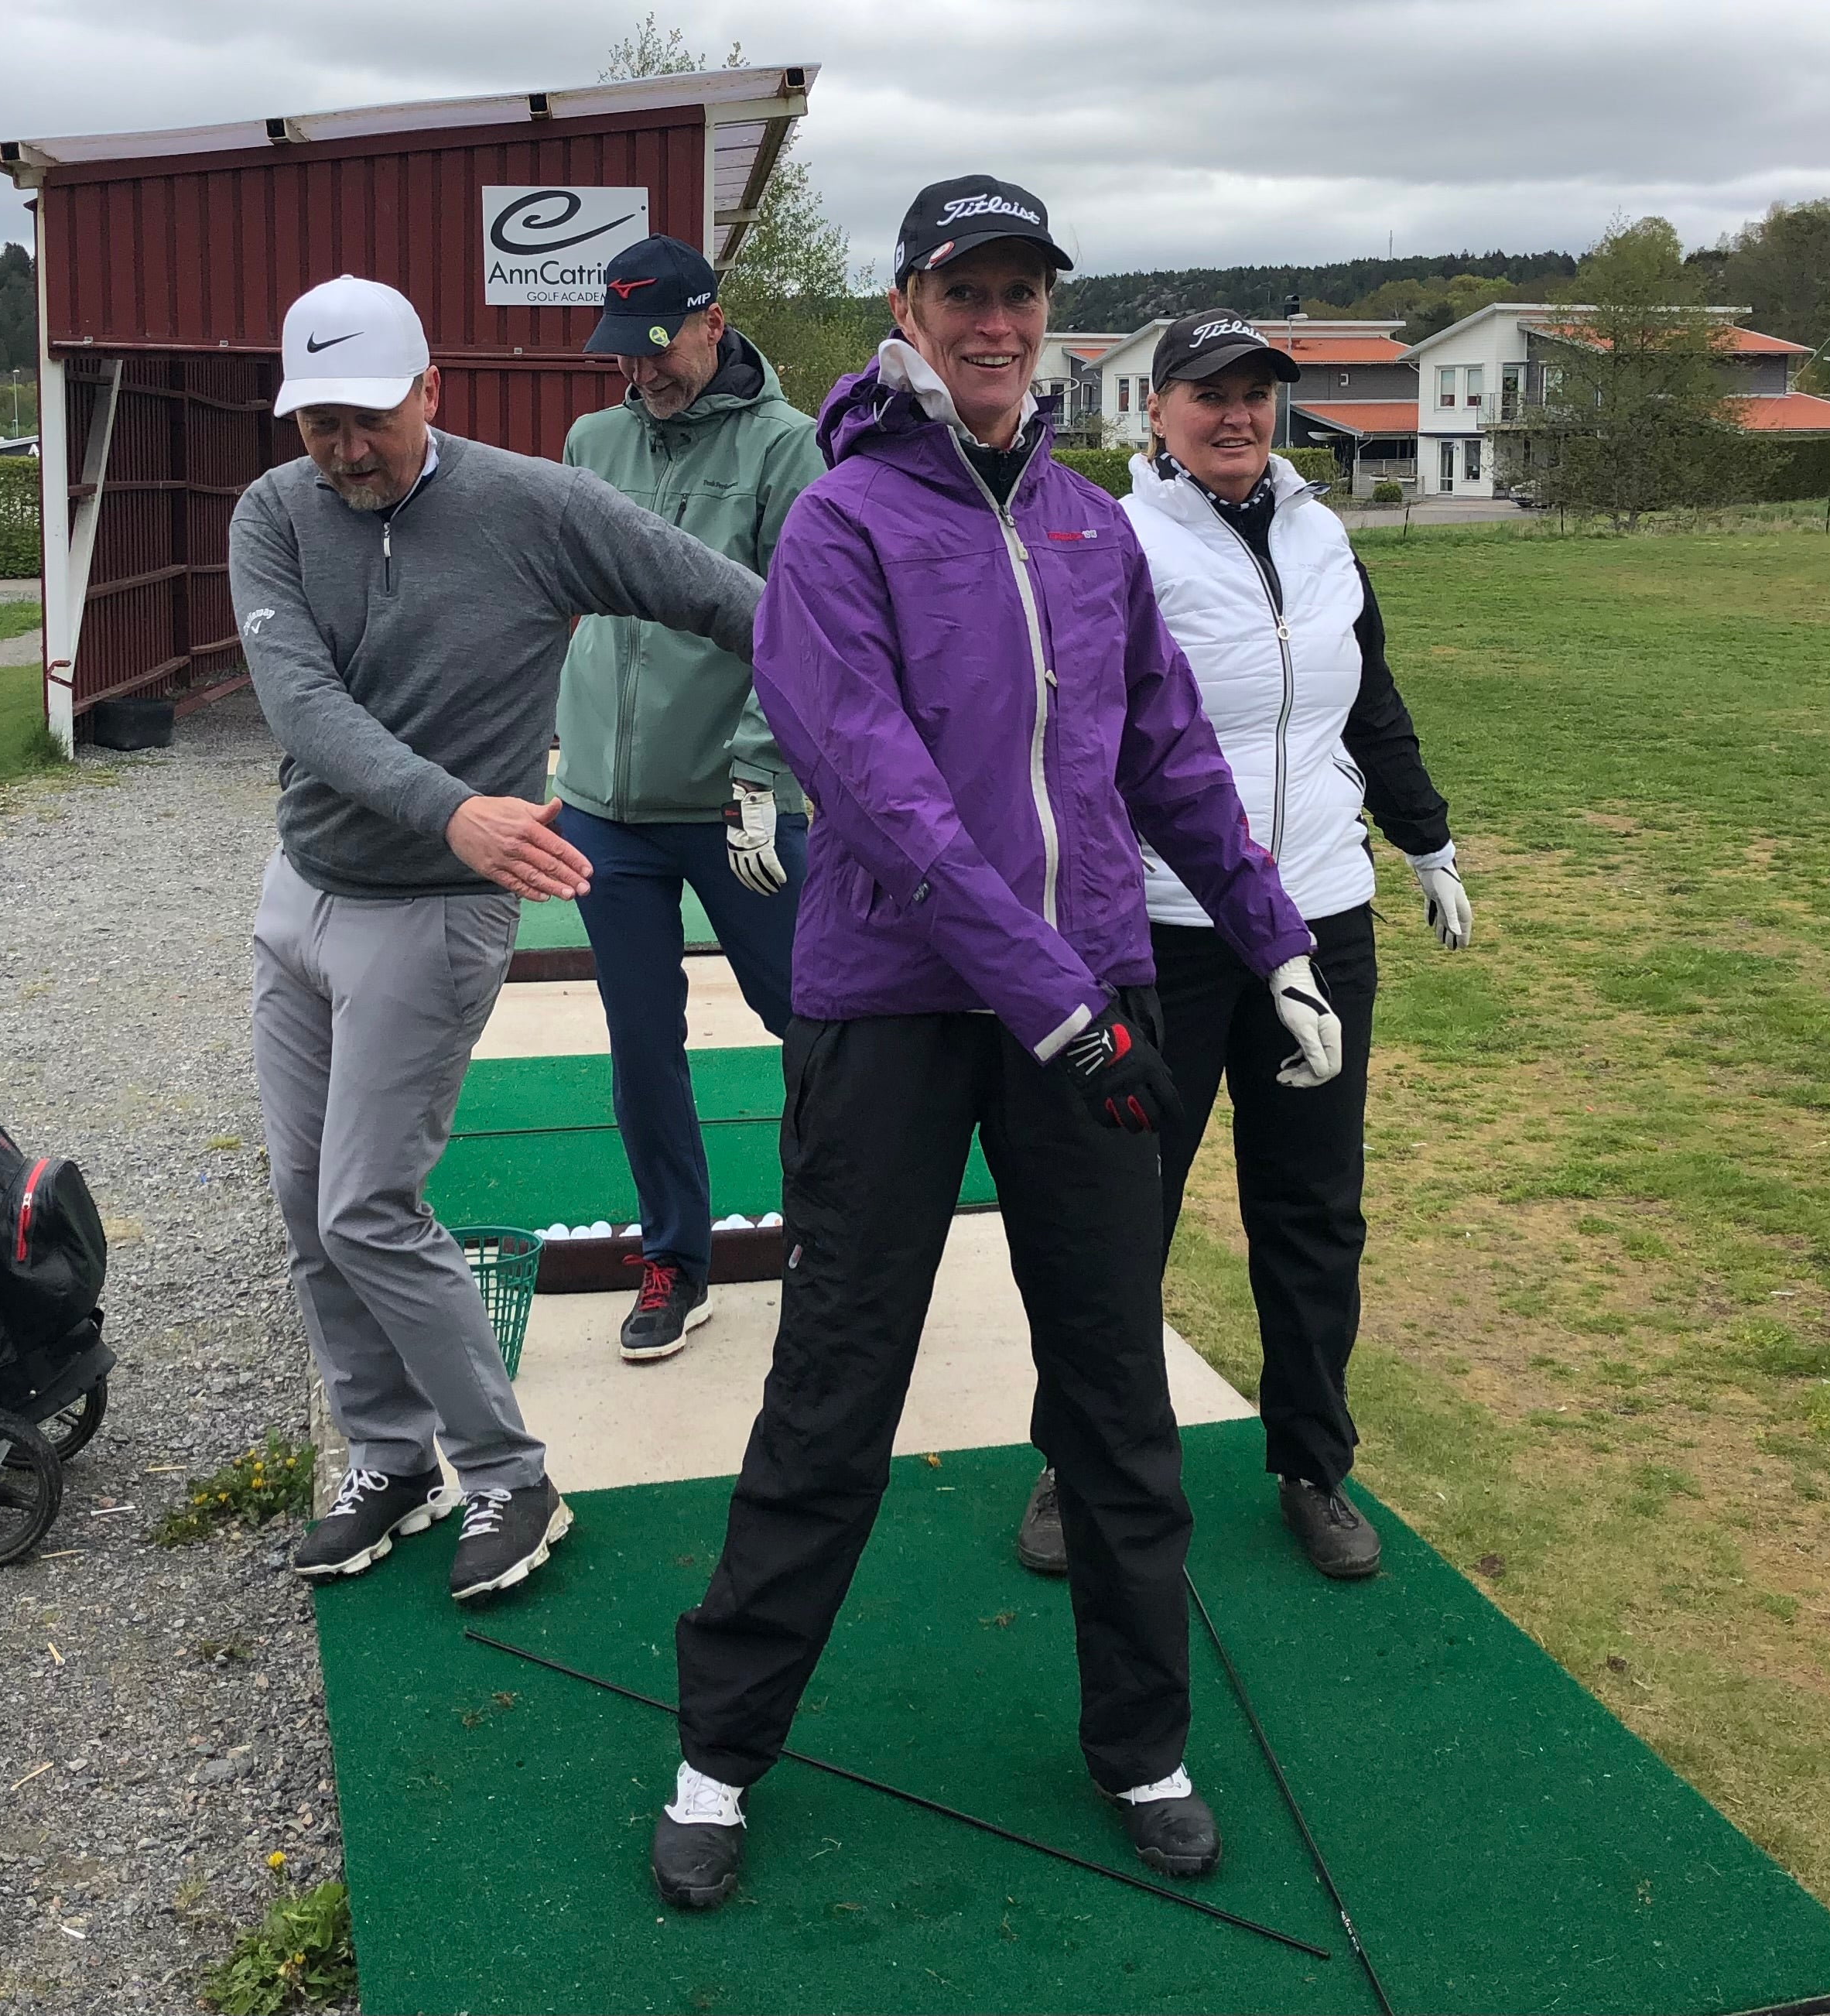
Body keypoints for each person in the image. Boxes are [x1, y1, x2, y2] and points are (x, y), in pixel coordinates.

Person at [650, 179, 1342, 1912]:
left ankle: (1144, 1742)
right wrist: (1057, 1005)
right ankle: (720, 1748)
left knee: (1114, 1393)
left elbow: (1166, 759)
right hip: (900, 1014)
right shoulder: (842, 522)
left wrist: (1273, 942)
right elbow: (884, 799)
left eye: (1023, 292)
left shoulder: (1091, 527)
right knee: (835, 1387)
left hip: (1085, 995)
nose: (998, 322)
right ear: (907, 306)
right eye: (966, 291)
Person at [229, 274, 766, 1598]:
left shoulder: (536, 506)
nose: (346, 448)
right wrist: (453, 803)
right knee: (307, 1204)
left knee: (368, 1205)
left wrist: (864, 699)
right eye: (319, 423)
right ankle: (389, 1456)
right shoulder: (274, 512)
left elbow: (733, 602)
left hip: (433, 911)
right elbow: (300, 704)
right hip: (302, 896)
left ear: (431, 388)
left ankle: (509, 1474)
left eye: (370, 417)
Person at [1014, 310, 1473, 1586]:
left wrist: (1425, 840)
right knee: (1123, 1212)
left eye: (1255, 392)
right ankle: (1074, 1457)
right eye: (1207, 393)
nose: (1236, 414)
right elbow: (1077, 734)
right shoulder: (1114, 538)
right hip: (1164, 924)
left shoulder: (1324, 536)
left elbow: (1367, 701)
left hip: (1318, 909)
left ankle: (1312, 1463)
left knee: (1314, 1206)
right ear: (1154, 411)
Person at [557, 235, 826, 1363]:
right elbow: (561, 595)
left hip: (735, 802)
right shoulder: (592, 441)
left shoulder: (787, 446)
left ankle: (832, 1239)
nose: (640, 371)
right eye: (624, 351)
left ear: (714, 323)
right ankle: (676, 1255)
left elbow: (803, 621)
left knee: (813, 1026)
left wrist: (760, 769)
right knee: (640, 1043)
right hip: (604, 807)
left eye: (658, 347)